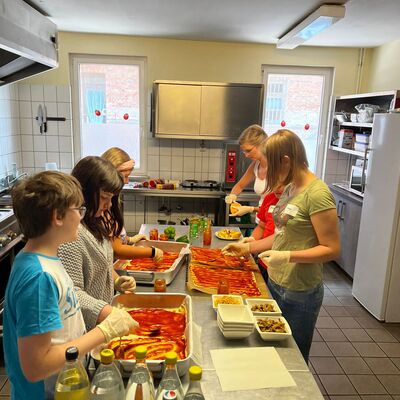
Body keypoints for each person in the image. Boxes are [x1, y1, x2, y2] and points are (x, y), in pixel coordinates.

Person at [3, 171, 137, 399]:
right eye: (79, 210)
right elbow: (36, 366)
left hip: (65, 386)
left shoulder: (48, 261)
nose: (81, 217)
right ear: (58, 216)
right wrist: (104, 331)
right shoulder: (38, 277)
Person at [223, 130, 340, 362]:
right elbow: (280, 234)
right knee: (272, 352)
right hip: (276, 281)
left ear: (286, 160)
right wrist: (249, 247)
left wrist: (287, 256)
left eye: (273, 167)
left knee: (292, 357)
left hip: (299, 290)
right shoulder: (290, 188)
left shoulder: (317, 194)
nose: (270, 174)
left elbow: (332, 249)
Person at [58, 156, 138, 331]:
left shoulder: (95, 221)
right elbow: (72, 294)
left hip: (100, 323)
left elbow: (98, 264)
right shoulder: (72, 235)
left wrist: (116, 280)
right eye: (104, 197)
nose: (109, 205)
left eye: (111, 198)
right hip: (85, 330)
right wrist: (109, 313)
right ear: (85, 192)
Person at [101, 147, 163, 261]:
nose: (127, 181)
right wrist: (151, 252)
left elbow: (114, 236)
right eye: (125, 176)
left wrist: (129, 240)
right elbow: (117, 250)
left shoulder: (110, 200)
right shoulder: (102, 206)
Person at [224, 124, 268, 218]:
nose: (246, 155)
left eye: (249, 150)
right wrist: (233, 195)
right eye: (244, 151)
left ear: (262, 145)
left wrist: (251, 209)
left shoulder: (277, 167)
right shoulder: (256, 165)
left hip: (274, 223)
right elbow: (240, 185)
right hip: (261, 220)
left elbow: (277, 208)